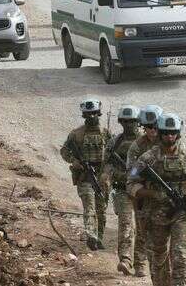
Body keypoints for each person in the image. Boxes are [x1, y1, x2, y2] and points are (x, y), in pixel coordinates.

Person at [128, 113, 186, 286]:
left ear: (178, 133)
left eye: (173, 133)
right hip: (156, 215)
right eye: (165, 133)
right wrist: (153, 194)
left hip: (182, 213)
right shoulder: (146, 158)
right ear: (160, 133)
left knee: (180, 258)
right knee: (158, 261)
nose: (169, 137)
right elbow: (131, 185)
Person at [60, 99, 111, 250]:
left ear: (99, 114)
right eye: (88, 114)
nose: (91, 117)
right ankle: (91, 235)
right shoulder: (76, 134)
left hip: (101, 177)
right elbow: (64, 151)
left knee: (101, 209)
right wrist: (74, 162)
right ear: (84, 115)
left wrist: (107, 173)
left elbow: (112, 156)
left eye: (94, 114)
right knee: (89, 207)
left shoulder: (106, 133)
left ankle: (98, 237)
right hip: (85, 176)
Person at [100, 105, 141, 276]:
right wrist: (111, 176)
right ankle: (125, 259)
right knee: (126, 223)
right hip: (123, 190)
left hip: (143, 191)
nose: (128, 125)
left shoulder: (145, 143)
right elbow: (106, 165)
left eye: (132, 121)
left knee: (143, 227)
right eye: (125, 121)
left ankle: (141, 262)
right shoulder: (114, 143)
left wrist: (132, 174)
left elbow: (147, 166)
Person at [126, 104, 164, 277]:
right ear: (143, 127)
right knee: (142, 228)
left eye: (155, 127)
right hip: (143, 192)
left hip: (165, 191)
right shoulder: (137, 146)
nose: (152, 131)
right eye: (148, 127)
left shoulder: (169, 142)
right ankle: (140, 263)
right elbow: (131, 172)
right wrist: (140, 175)